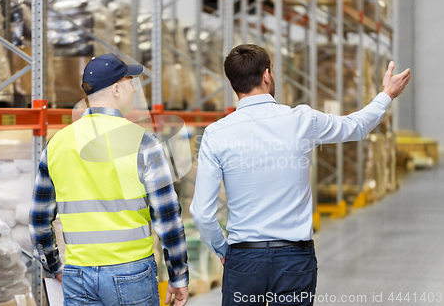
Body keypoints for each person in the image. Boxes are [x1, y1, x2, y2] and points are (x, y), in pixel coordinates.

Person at [189, 44, 410, 306]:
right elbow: (357, 126)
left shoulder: (216, 134)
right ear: (267, 75)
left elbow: (202, 213)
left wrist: (225, 251)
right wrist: (386, 95)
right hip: (294, 260)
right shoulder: (302, 120)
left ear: (231, 83)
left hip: (244, 260)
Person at [29, 54, 189, 306]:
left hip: (77, 273)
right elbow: (167, 217)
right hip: (131, 272)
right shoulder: (143, 142)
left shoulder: (56, 144)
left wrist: (53, 266)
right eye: (129, 82)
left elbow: (39, 220)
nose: (134, 89)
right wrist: (178, 275)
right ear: (116, 89)